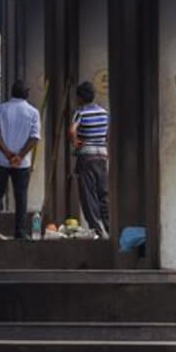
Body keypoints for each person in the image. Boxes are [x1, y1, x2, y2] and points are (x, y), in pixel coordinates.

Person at [0, 80, 42, 239]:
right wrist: (19, 156)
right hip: (22, 163)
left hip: (1, 160)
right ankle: (20, 231)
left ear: (12, 92)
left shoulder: (0, 109)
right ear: (26, 94)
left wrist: (7, 153)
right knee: (21, 196)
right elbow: (34, 138)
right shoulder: (33, 112)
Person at [70, 80, 111, 239]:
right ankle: (109, 227)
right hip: (101, 155)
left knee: (88, 194)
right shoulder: (104, 112)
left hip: (86, 156)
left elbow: (71, 130)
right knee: (103, 193)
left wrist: (75, 141)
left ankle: (96, 229)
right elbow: (108, 134)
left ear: (80, 97)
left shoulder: (80, 112)